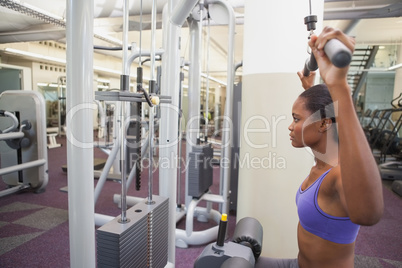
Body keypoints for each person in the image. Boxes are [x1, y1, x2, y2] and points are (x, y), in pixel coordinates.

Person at [257, 27, 384, 268]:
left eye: (296, 119)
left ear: (324, 123)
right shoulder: (322, 160)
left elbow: (370, 214)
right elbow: (322, 120)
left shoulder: (338, 175)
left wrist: (339, 88)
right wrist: (311, 90)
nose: (290, 127)